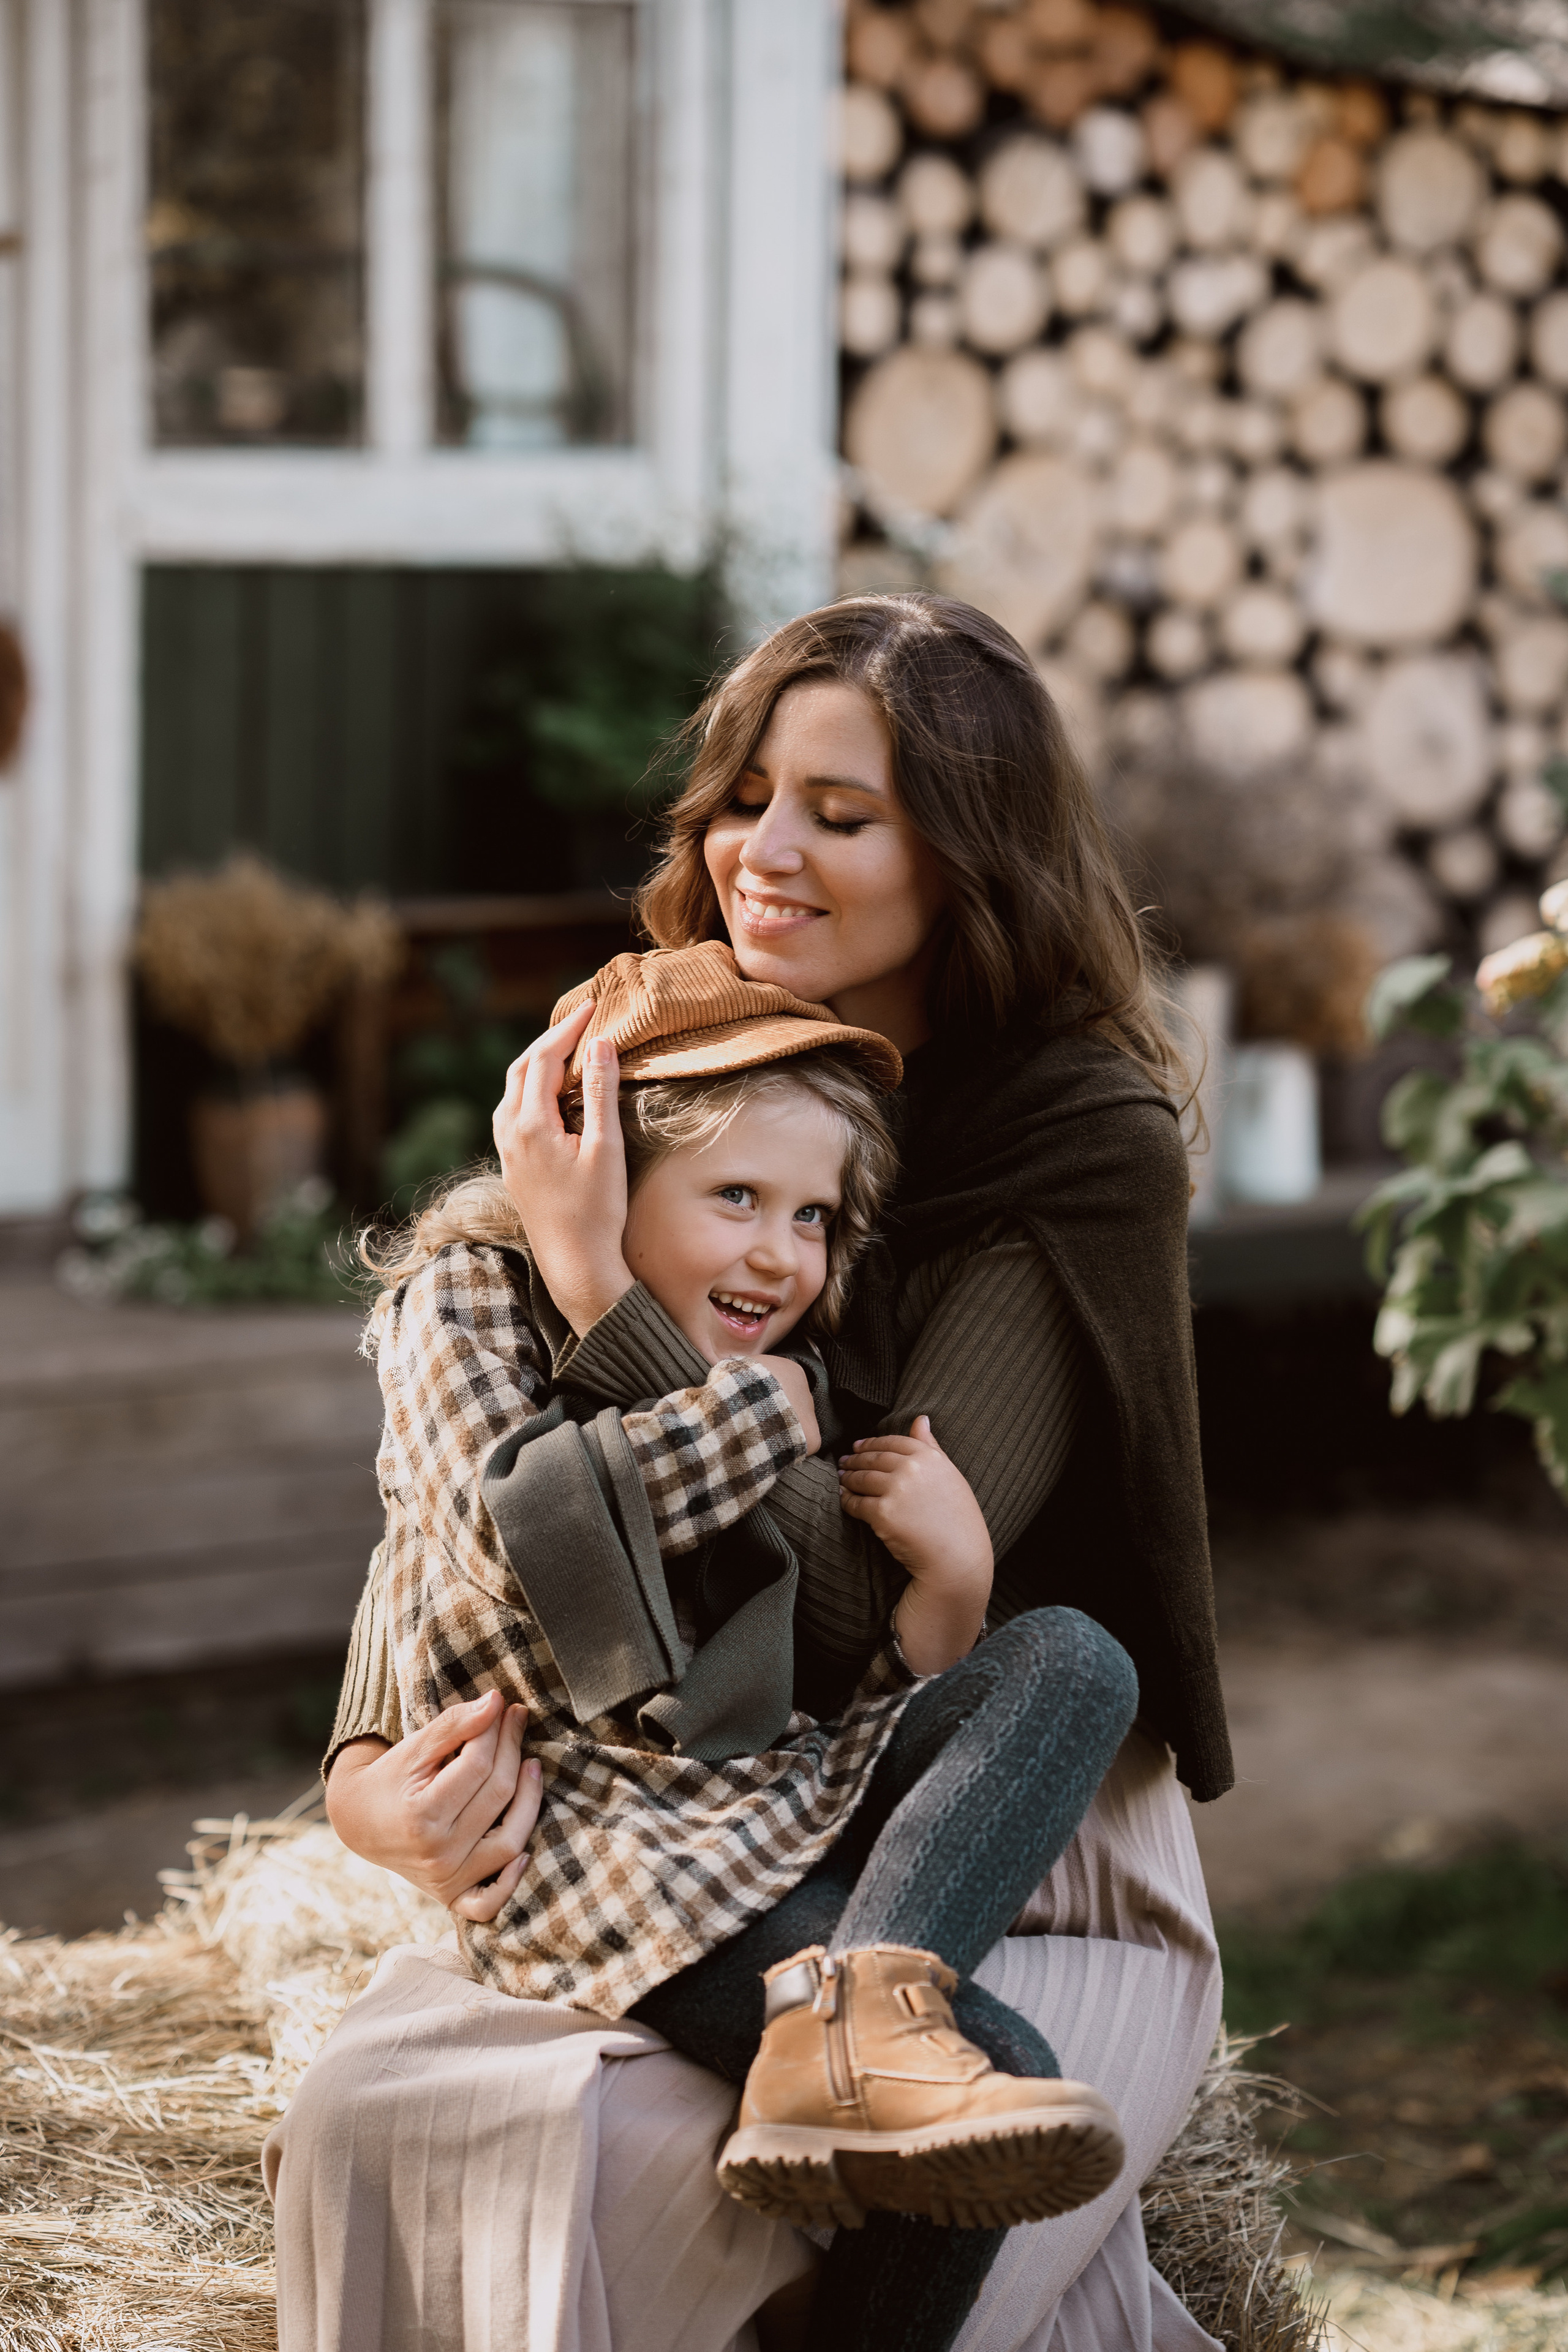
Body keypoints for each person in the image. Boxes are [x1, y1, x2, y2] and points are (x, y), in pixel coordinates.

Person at [279, 592, 1231, 2352]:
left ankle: (861, 2033)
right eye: (743, 797)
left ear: (970, 862)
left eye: (838, 815)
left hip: (967, 1796)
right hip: (645, 1776)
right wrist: (361, 1777)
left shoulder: (1074, 1136)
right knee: (450, 2133)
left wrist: (609, 1294)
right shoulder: (675, 1043)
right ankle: (842, 2039)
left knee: (944, 2122)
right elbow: (466, 1457)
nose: (759, 854)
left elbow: (852, 1600)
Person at [358, 936, 1135, 2247]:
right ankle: (856, 2046)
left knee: (1073, 1656)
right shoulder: (467, 1303)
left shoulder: (774, 1356)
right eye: (736, 1196)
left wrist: (953, 1580)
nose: (779, 1256)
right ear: (602, 1172)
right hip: (606, 1844)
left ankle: (857, 2017)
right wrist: (750, 1410)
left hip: (770, 1790)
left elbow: (818, 1668)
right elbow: (523, 1546)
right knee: (990, 2084)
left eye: (812, 1217)